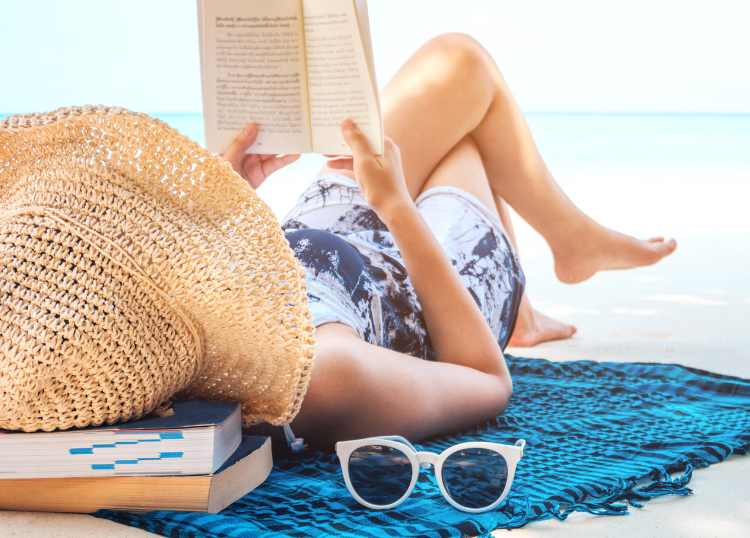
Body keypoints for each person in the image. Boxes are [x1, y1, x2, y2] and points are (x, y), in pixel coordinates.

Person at [219, 34, 676, 449]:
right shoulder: (327, 374)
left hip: (325, 231)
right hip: (432, 297)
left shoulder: (190, 317)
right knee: (466, 129)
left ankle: (556, 269)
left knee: (459, 72)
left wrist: (224, 206)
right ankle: (556, 268)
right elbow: (487, 380)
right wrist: (397, 206)